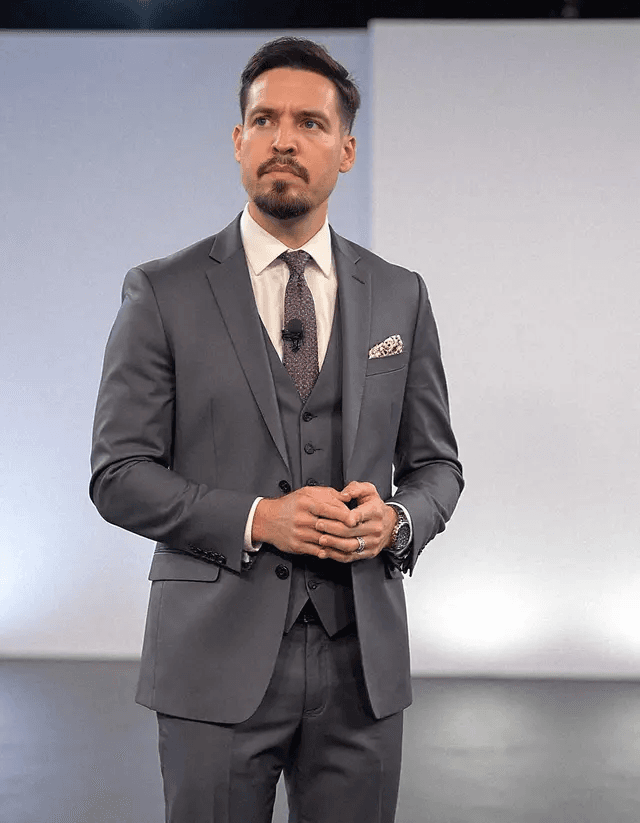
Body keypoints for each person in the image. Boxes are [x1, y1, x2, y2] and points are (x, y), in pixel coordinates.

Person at [90, 36, 463, 823]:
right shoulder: (162, 291)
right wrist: (261, 517)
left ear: (346, 150)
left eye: (309, 123)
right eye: (263, 120)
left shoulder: (401, 295)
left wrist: (395, 521)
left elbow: (437, 468)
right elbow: (118, 473)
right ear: (238, 142)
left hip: (363, 665)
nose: (283, 139)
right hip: (211, 663)